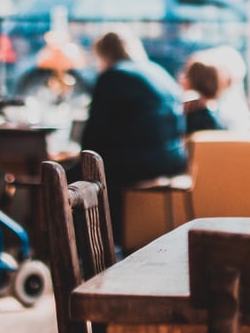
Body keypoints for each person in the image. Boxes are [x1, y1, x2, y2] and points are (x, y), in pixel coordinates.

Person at [79, 29, 188, 250]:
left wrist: (78, 156)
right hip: (173, 159)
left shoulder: (113, 76)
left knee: (75, 178)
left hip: (140, 164)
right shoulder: (158, 72)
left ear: (104, 54)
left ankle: (90, 248)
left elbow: (93, 134)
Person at [180, 59, 227, 134]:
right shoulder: (217, 114)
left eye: (187, 75)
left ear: (194, 80)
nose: (182, 78)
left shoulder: (192, 117)